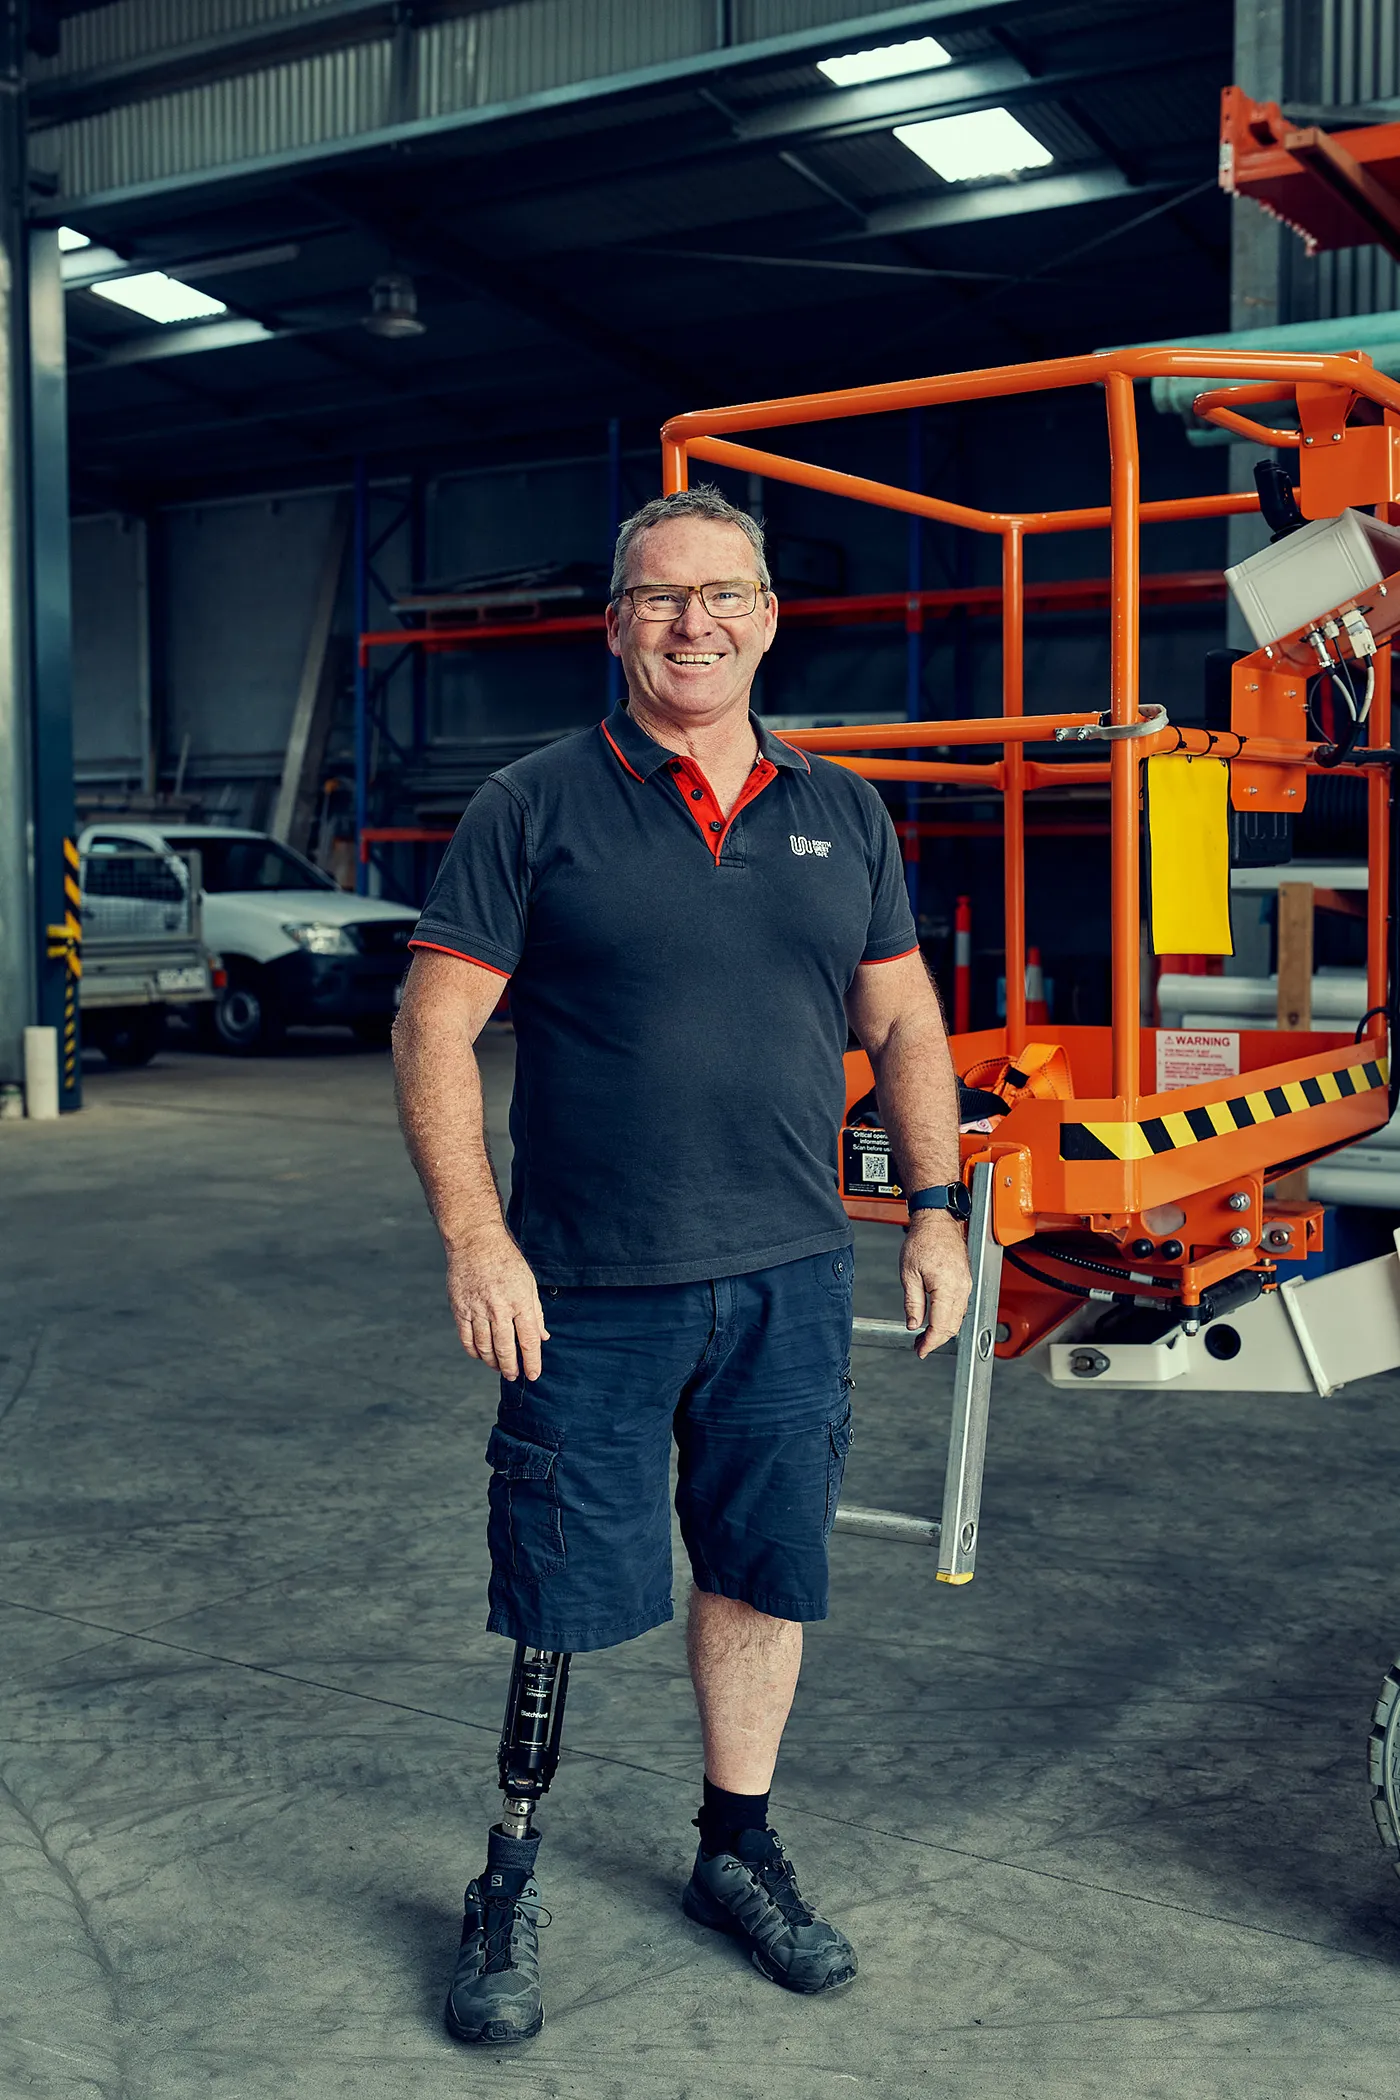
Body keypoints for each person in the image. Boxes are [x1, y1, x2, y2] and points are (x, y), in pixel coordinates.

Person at [393, 484, 971, 2045]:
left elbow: (904, 1018)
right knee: (563, 1586)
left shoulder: (842, 810)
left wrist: (935, 1206)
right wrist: (475, 1236)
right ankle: (508, 1873)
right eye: (659, 598)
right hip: (586, 1282)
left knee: (758, 1569)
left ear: (771, 615)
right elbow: (434, 1024)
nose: (693, 622)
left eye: (723, 595)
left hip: (787, 1276)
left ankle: (736, 1844)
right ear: (617, 621)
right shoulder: (535, 802)